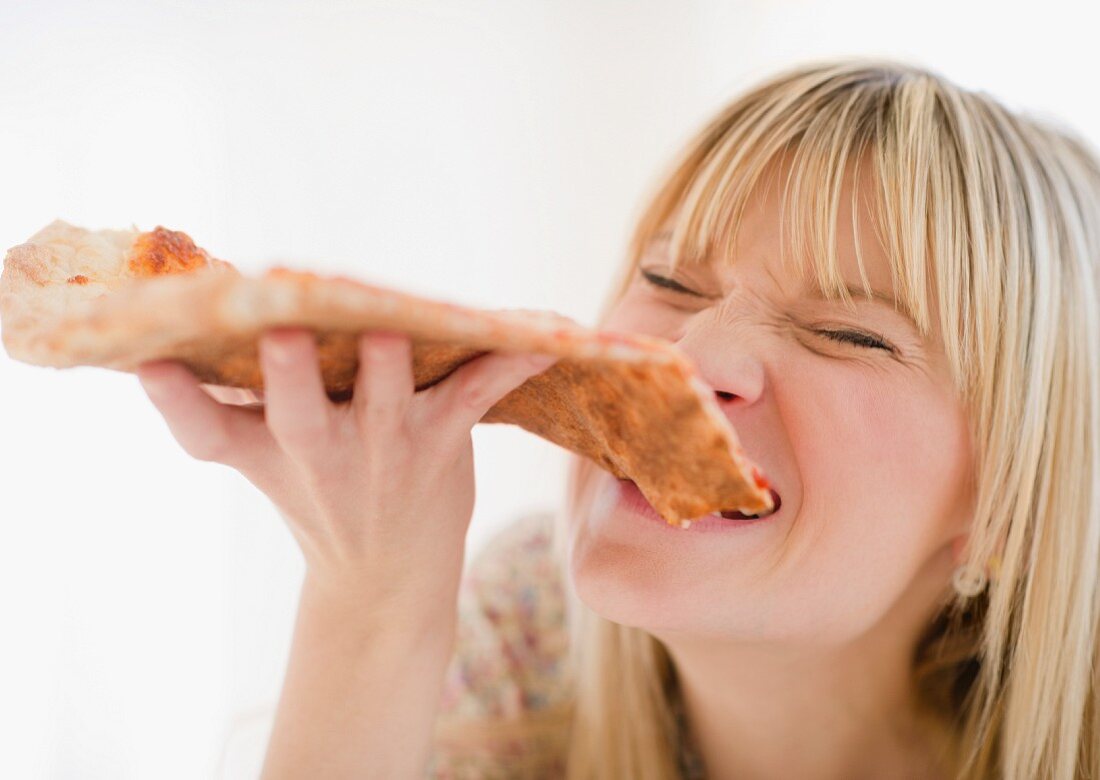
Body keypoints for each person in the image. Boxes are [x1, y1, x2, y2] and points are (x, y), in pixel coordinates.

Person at [137, 57, 1100, 779]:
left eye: (846, 334)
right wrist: (372, 601)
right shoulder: (522, 644)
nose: (687, 359)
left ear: (1013, 510)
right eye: (671, 282)